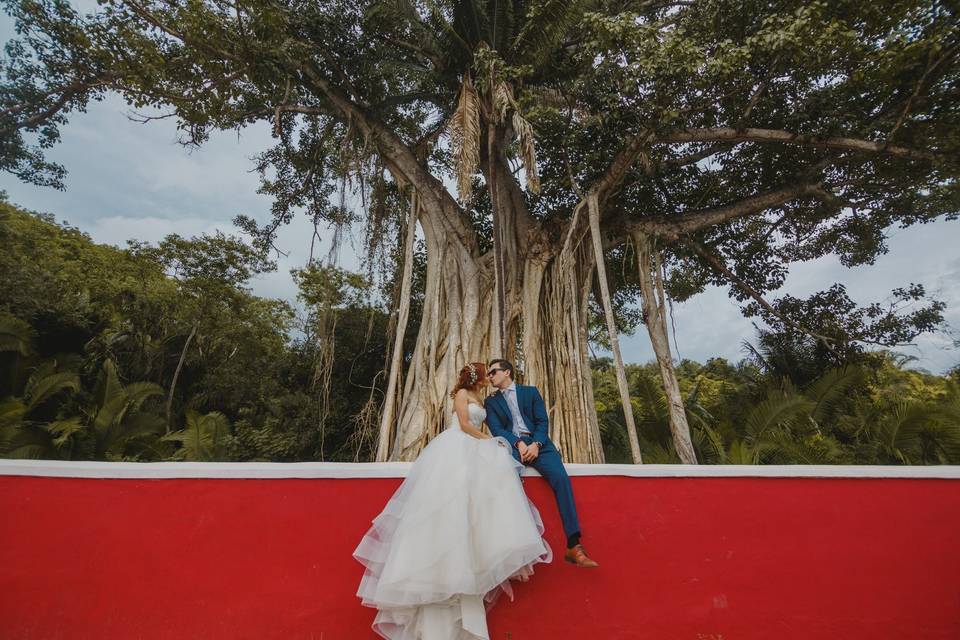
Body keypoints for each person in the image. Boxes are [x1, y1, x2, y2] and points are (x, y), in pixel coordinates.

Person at [354, 362, 552, 640]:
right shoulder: (461, 394)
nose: (488, 380)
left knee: (475, 505)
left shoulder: (484, 399)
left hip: (473, 449)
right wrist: (491, 440)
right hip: (455, 448)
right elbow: (464, 425)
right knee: (447, 505)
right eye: (486, 375)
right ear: (477, 378)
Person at [484, 358, 599, 568]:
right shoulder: (490, 402)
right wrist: (518, 443)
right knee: (506, 485)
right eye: (488, 374)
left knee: (561, 479)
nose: (489, 376)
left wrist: (536, 443)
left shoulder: (530, 392)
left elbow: (542, 421)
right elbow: (497, 429)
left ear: (507, 372)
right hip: (511, 446)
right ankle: (513, 547)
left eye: (493, 372)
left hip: (540, 445)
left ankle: (574, 545)